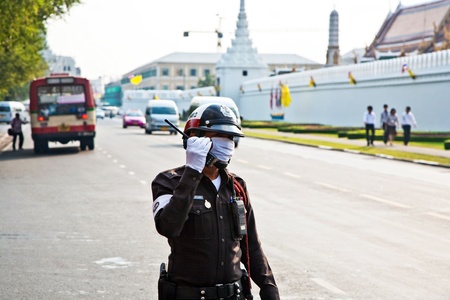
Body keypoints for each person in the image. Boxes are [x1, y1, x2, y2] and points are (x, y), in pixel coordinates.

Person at [152, 103, 280, 300]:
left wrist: (269, 289)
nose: (227, 143)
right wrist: (192, 173)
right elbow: (168, 227)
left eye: (230, 137)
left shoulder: (236, 186)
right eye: (220, 136)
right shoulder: (168, 182)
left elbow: (251, 245)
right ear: (194, 138)